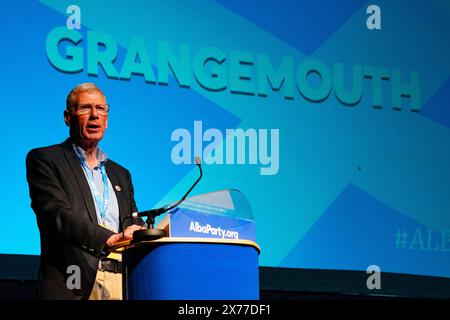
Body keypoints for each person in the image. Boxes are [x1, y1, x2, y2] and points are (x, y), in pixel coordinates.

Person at [26, 83, 143, 300]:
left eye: (100, 109)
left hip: (121, 285)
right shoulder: (46, 160)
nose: (94, 116)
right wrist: (109, 239)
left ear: (107, 119)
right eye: (85, 108)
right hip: (74, 284)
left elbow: (130, 222)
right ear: (68, 117)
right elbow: (57, 214)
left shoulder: (121, 174)